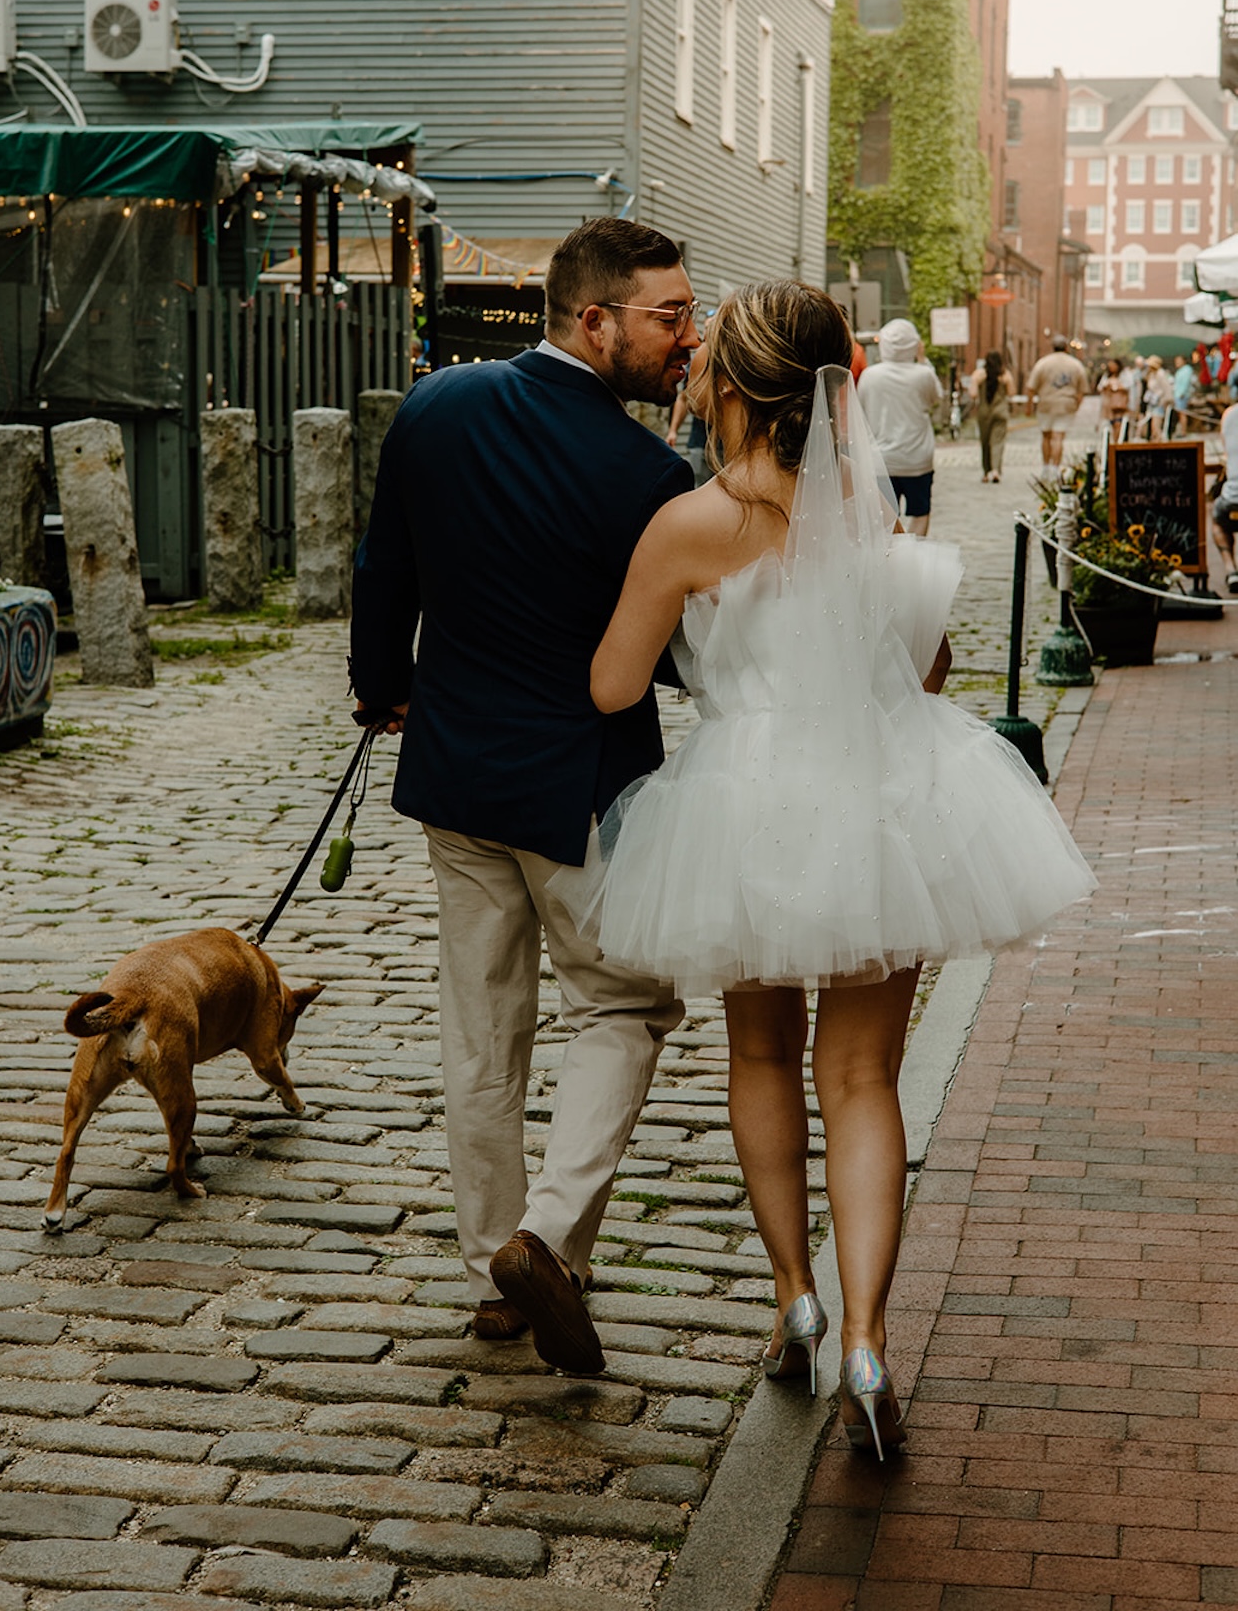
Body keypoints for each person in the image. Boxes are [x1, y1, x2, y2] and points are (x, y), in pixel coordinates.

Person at [555, 281, 1096, 1458]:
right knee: (863, 1083)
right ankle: (864, 1337)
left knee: (760, 1055)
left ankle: (791, 1297)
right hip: (886, 802)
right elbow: (930, 669)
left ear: (736, 393)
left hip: (744, 809)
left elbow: (607, 685)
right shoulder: (872, 525)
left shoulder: (690, 525)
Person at [350, 217, 698, 1376]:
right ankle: (544, 1240)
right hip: (584, 790)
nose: (685, 339)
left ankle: (493, 1267)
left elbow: (382, 572)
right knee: (623, 1008)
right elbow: (666, 657)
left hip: (453, 769)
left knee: (479, 1032)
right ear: (591, 319)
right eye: (667, 317)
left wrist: (380, 692)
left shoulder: (433, 407)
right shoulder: (647, 474)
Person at [855, 318, 942, 534]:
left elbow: (861, 408)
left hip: (881, 461)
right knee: (920, 512)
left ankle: (889, 560)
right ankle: (914, 557)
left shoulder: (870, 376)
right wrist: (921, 360)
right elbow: (936, 398)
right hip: (917, 459)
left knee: (883, 520)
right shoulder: (924, 375)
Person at [1025, 334, 1088, 478]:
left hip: (1046, 403)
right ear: (1066, 347)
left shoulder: (1043, 363)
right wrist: (1077, 404)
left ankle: (1046, 466)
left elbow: (1031, 387)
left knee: (1046, 436)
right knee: (1058, 436)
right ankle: (1055, 467)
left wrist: (1029, 406)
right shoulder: (1075, 364)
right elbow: (1082, 389)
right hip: (1066, 404)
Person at [970, 349, 1014, 481]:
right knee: (998, 441)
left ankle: (986, 472)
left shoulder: (978, 374)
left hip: (984, 412)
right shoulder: (1005, 375)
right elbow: (1011, 393)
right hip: (1000, 411)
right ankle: (996, 470)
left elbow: (973, 394)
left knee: (985, 442)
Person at [1210, 402, 1238, 594]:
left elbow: (1227, 452)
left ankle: (1231, 569)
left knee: (1217, 519)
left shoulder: (1228, 415)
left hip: (1233, 497)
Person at [1141, 354, 1173, 438]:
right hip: (1152, 402)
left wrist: (1166, 401)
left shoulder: (1160, 374)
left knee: (1156, 426)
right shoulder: (1152, 375)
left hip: (1159, 403)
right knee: (1153, 427)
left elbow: (1166, 389)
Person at [1097, 355, 1131, 433]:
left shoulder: (1124, 375)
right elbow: (1100, 386)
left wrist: (1116, 387)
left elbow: (1127, 386)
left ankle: (1117, 442)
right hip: (1109, 402)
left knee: (1118, 423)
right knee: (1111, 423)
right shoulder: (1106, 376)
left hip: (1119, 402)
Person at [1172, 353, 1197, 434]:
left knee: (1182, 413)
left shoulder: (1187, 370)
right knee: (1180, 413)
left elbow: (1185, 383)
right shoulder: (1180, 370)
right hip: (1177, 394)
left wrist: (1181, 393)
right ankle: (1181, 430)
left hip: (1181, 395)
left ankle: (1183, 431)